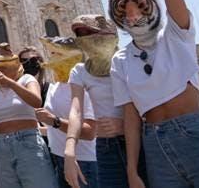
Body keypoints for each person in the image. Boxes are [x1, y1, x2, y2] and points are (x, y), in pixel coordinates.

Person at [108, 0, 199, 188]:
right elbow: (130, 117)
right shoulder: (121, 60)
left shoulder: (176, 35)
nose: (134, 16)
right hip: (155, 144)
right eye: (126, 11)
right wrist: (132, 170)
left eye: (140, 8)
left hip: (195, 134)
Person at [63, 14, 148, 188]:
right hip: (106, 146)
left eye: (90, 31)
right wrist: (70, 148)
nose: (85, 37)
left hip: (140, 140)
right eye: (80, 34)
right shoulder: (80, 71)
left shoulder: (130, 60)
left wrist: (124, 124)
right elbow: (76, 110)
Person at [0, 42, 58, 188]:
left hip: (28, 140)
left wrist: (8, 82)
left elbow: (36, 101)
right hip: (2, 145)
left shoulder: (26, 80)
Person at [37, 36, 97, 188]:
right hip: (58, 158)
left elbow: (89, 132)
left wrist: (54, 121)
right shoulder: (53, 87)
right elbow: (52, 129)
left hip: (84, 161)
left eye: (57, 54)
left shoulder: (85, 86)